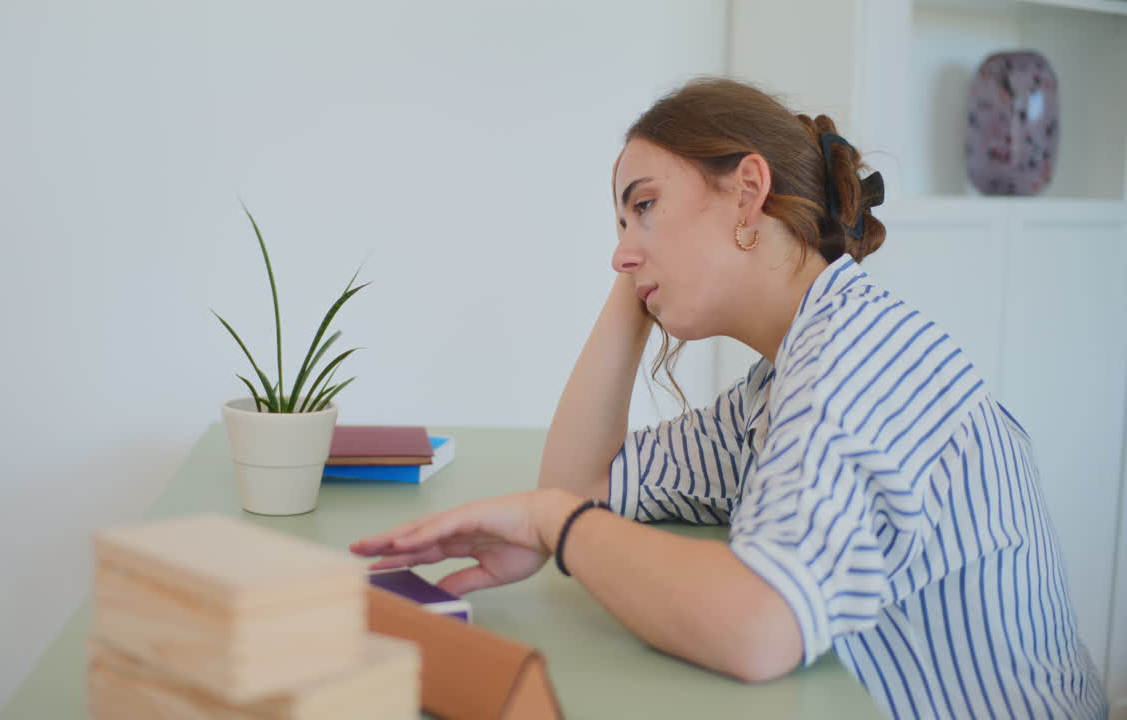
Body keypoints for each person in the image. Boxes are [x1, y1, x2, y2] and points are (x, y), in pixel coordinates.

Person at [350, 77, 1108, 719]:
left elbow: (758, 628)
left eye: (645, 204)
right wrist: (637, 272)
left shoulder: (858, 363)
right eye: (619, 222)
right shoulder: (779, 383)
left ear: (748, 191)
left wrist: (553, 524)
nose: (619, 250)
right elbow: (582, 482)